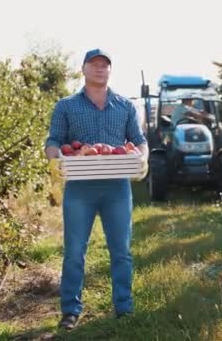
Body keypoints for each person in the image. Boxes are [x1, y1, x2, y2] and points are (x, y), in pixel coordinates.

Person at [44, 48, 149, 331]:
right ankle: (70, 311)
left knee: (122, 251)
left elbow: (139, 140)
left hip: (117, 188)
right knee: (75, 251)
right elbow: (53, 141)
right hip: (80, 188)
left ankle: (124, 308)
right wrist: (57, 158)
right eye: (94, 64)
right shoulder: (66, 106)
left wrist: (143, 157)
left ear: (110, 71)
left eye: (105, 65)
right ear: (84, 69)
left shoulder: (125, 106)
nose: (100, 69)